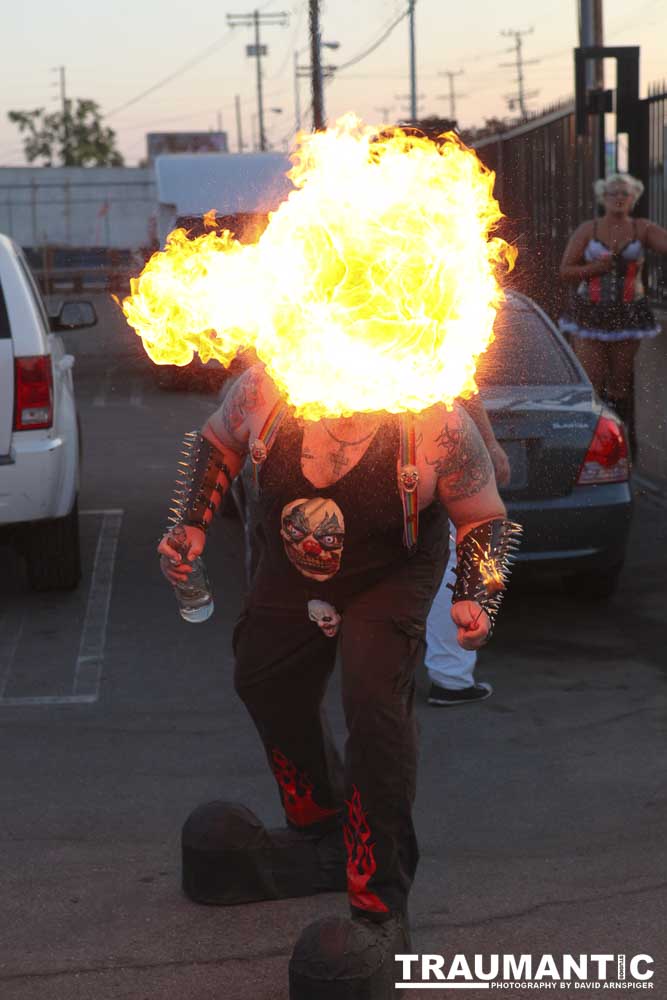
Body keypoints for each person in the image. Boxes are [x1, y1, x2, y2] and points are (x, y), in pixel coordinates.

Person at [158, 366, 521, 999]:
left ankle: (381, 902)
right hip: (293, 565)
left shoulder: (433, 422)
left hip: (393, 572)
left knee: (373, 705)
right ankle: (322, 829)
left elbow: (484, 516)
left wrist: (475, 597)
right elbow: (218, 441)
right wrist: (191, 523)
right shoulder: (266, 389)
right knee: (263, 674)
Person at [559, 172, 667, 452]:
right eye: (613, 193)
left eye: (625, 193)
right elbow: (565, 271)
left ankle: (617, 446)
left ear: (634, 198)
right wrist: (594, 269)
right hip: (590, 315)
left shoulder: (642, 228)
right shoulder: (588, 230)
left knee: (620, 382)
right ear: (603, 198)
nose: (619, 198)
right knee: (592, 381)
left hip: (629, 315)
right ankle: (589, 445)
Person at [425, 392, 511, 706]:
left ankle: (377, 682)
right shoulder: (427, 344)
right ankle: (451, 678)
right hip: (434, 443)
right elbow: (464, 386)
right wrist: (488, 442)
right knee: (458, 557)